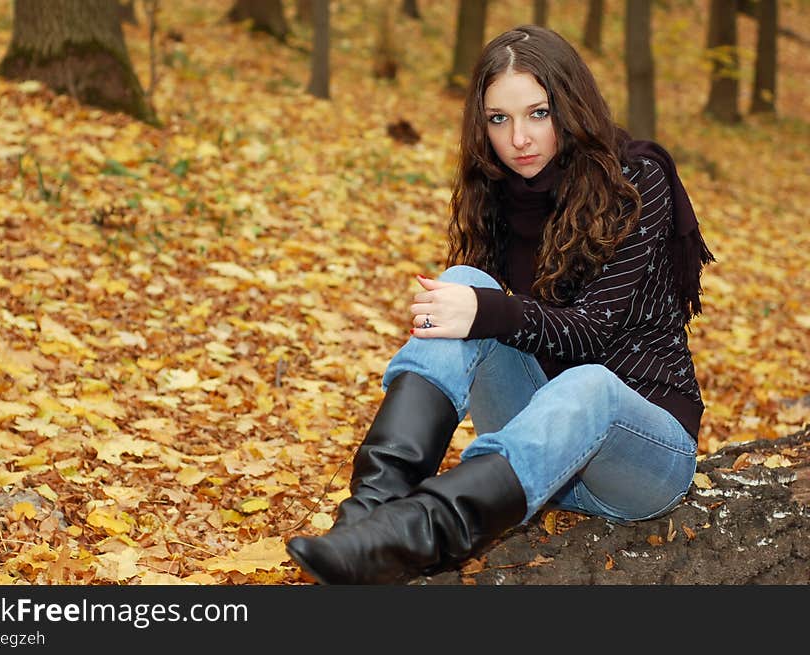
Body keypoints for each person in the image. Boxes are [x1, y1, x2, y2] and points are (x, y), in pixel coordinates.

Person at [285, 24, 714, 585]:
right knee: (464, 279)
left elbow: (594, 333)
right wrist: (472, 306)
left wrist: (484, 311)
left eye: (538, 113)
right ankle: (369, 514)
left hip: (638, 453)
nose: (519, 139)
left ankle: (416, 537)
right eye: (499, 119)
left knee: (587, 383)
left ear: (571, 104)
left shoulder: (636, 177)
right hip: (538, 447)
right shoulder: (495, 188)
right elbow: (489, 329)